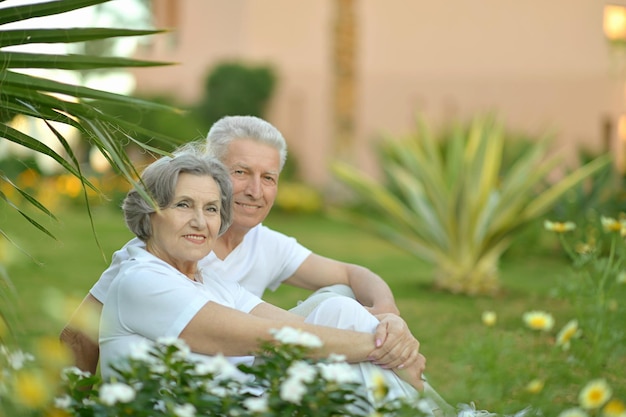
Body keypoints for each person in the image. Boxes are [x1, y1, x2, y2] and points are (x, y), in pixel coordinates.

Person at [61, 115, 409, 375]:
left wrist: (390, 320)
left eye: (268, 178)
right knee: (346, 331)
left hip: (239, 369)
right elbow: (80, 334)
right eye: (241, 172)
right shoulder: (144, 266)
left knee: (341, 305)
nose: (254, 191)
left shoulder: (220, 273)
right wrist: (69, 403)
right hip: (213, 371)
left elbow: (344, 279)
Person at [100, 149, 436, 413]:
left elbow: (298, 326)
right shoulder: (141, 279)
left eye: (213, 209)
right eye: (184, 205)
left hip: (243, 403)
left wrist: (386, 330)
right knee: (346, 340)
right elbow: (272, 339)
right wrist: (388, 351)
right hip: (203, 410)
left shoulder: (208, 281)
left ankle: (434, 412)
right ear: (149, 213)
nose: (200, 222)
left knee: (338, 308)